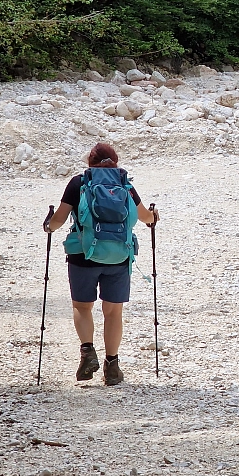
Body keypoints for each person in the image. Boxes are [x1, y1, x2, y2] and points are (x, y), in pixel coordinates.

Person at [43, 143, 158, 385]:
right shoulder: (124, 183)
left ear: (90, 162)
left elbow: (58, 221)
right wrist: (153, 216)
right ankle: (112, 366)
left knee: (83, 307)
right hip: (119, 255)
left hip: (83, 256)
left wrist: (48, 225)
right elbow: (145, 218)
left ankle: (87, 353)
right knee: (113, 312)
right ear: (115, 161)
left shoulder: (79, 183)